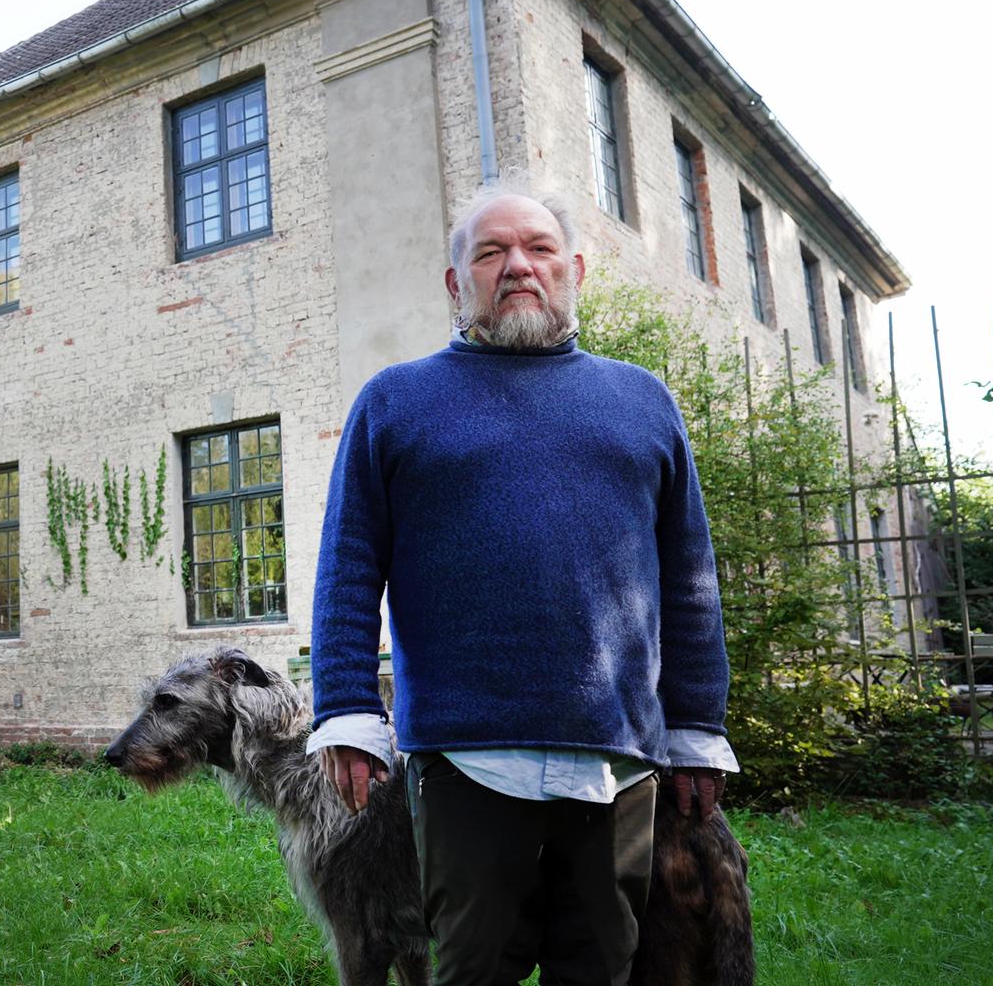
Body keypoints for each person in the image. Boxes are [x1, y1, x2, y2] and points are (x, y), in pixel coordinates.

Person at [307, 187, 737, 985]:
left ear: (572, 269)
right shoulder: (395, 402)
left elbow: (688, 577)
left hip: (619, 760)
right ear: (454, 282)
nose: (517, 267)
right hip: (469, 758)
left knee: (600, 968)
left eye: (538, 249)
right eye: (490, 252)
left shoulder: (642, 401)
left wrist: (697, 726)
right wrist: (345, 709)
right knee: (472, 973)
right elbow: (348, 565)